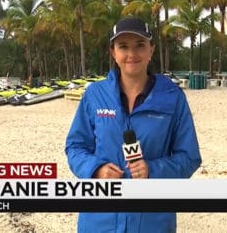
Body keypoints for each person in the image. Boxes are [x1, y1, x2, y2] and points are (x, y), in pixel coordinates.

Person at [65, 17, 201, 233]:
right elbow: (75, 147)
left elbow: (189, 157)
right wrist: (96, 169)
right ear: (113, 52)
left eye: (140, 45)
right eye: (123, 46)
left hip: (153, 222)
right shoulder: (94, 95)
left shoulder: (173, 98)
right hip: (99, 222)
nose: (132, 54)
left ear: (151, 50)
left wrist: (152, 170)